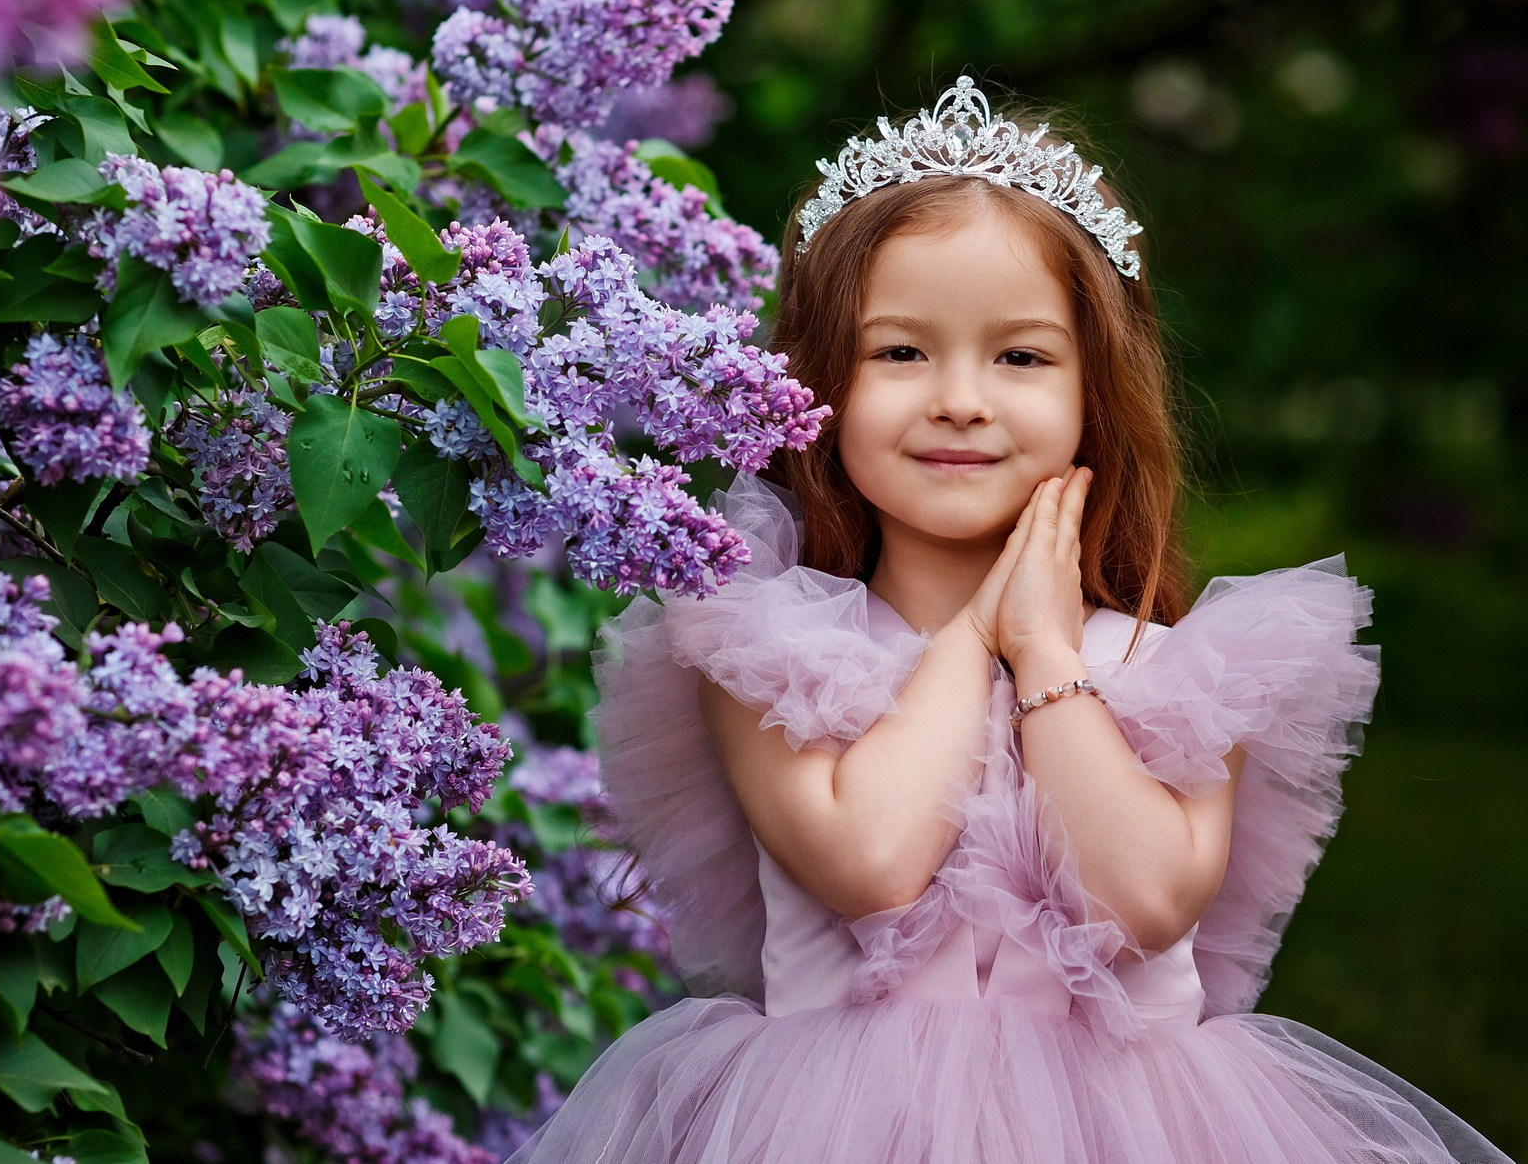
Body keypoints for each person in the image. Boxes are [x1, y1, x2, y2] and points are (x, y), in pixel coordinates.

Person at [504, 79, 1514, 1162]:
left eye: (1019, 356)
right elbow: (870, 859)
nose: (959, 398)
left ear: (1093, 388)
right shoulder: (763, 653)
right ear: (819, 385)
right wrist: (975, 629)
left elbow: (1141, 902)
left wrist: (1039, 652)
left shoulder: (1173, 671)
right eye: (899, 351)